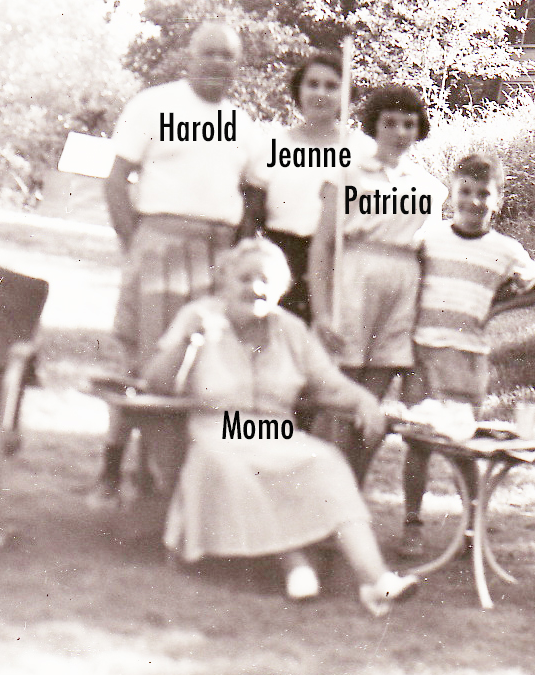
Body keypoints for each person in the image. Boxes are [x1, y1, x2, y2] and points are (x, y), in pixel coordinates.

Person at [145, 239, 420, 615]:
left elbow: (327, 382)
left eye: (266, 281)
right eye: (245, 278)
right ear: (224, 280)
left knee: (325, 461)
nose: (256, 288)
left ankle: (376, 581)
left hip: (275, 430)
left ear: (281, 290)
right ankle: (295, 563)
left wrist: (364, 401)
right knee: (233, 463)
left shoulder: (290, 329)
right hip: (218, 428)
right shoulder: (199, 316)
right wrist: (188, 344)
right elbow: (156, 382)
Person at [91, 22, 269, 503]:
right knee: (140, 360)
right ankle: (111, 468)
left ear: (237, 66)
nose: (218, 63)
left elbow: (257, 191)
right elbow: (116, 181)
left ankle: (162, 475)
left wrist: (240, 246)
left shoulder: (242, 124)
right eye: (209, 53)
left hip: (216, 253)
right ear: (189, 56)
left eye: (227, 57)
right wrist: (136, 244)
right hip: (159, 242)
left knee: (195, 362)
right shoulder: (153, 104)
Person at [398, 153, 535, 556]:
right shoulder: (429, 240)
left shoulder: (504, 249)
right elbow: (407, 280)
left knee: (464, 444)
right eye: (465, 191)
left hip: (468, 361)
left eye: (484, 193)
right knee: (418, 442)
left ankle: (470, 525)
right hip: (424, 354)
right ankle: (412, 523)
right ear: (451, 193)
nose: (473, 201)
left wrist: (496, 306)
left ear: (498, 199)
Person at [307, 83, 445, 477]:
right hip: (355, 282)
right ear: (374, 126)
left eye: (408, 124)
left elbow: (429, 248)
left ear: (419, 129)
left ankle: (349, 493)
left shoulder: (429, 187)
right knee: (337, 399)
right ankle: (308, 496)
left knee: (373, 404)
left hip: (403, 290)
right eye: (390, 123)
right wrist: (321, 312)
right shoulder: (347, 175)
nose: (400, 132)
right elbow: (321, 247)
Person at [258, 53, 376, 323]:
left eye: (332, 86)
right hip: (282, 260)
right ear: (298, 91)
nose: (320, 93)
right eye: (312, 84)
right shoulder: (273, 147)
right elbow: (252, 212)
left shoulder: (363, 150)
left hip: (341, 261)